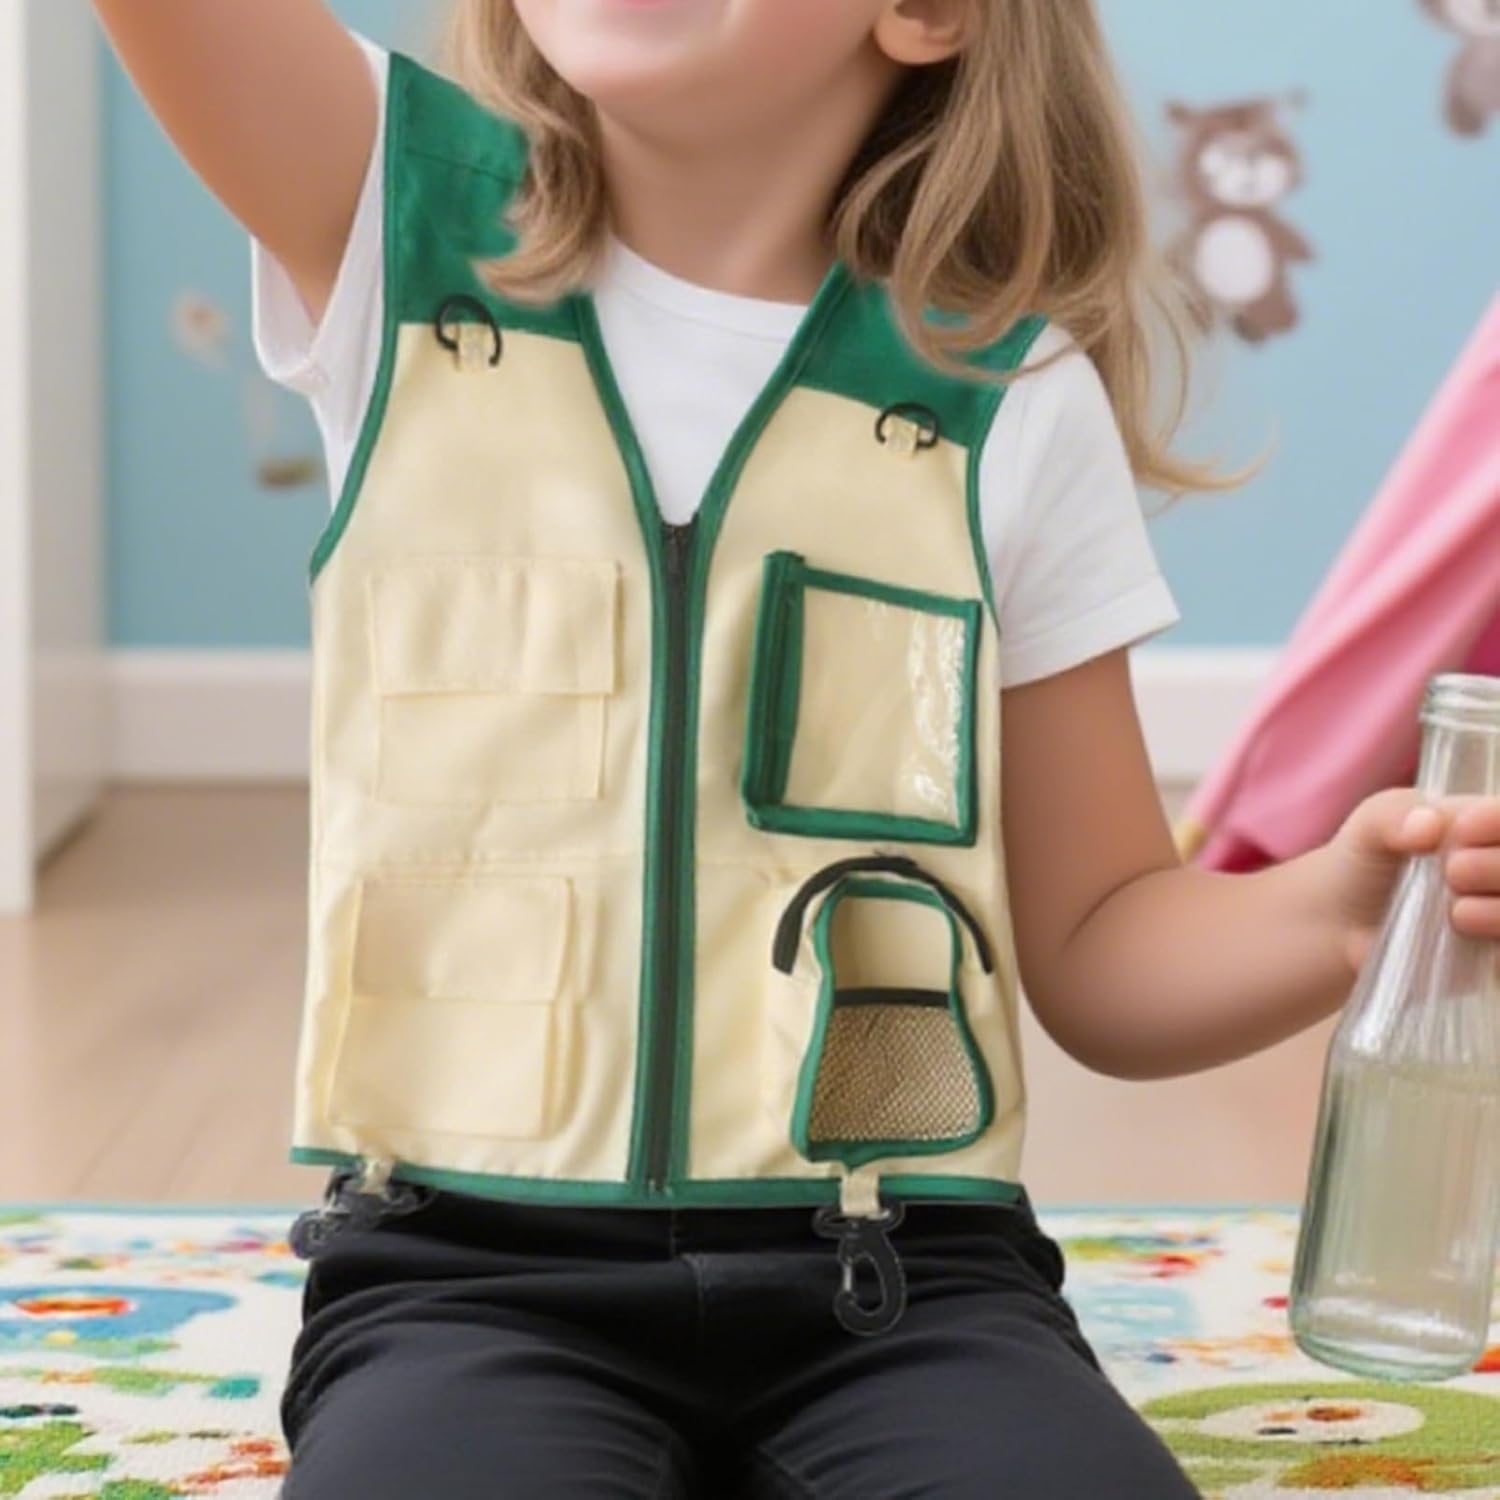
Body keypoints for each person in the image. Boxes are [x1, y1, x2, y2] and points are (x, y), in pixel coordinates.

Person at [94, 3, 1500, 1495]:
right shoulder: (392, 225)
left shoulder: (1010, 397)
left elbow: (1101, 946)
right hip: (468, 1276)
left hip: (899, 1284)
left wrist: (1339, 914)